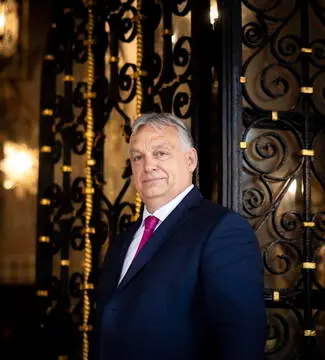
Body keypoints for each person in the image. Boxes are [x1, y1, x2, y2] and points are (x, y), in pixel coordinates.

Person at [94, 113, 266, 360]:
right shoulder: (122, 240)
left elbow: (241, 342)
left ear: (190, 160)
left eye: (161, 153)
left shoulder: (222, 230)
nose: (148, 165)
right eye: (138, 157)